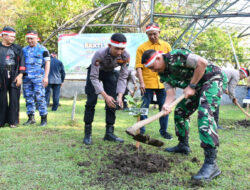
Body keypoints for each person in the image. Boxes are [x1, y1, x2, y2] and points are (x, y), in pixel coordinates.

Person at [141, 48, 227, 181]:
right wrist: (166, 104)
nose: (152, 70)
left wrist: (191, 86)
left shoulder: (176, 56)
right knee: (180, 112)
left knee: (205, 113)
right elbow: (170, 94)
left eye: (152, 67)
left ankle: (211, 163)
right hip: (196, 87)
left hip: (212, 78)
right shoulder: (162, 75)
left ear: (158, 58)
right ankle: (183, 145)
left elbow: (202, 63)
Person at [83, 33, 129, 145]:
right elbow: (93, 77)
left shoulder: (125, 56)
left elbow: (123, 77)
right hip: (95, 73)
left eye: (122, 49)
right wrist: (105, 96)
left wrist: (120, 96)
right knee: (91, 101)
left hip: (110, 73)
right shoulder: (99, 54)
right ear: (109, 45)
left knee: (113, 101)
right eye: (116, 49)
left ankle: (109, 133)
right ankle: (87, 133)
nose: (119, 52)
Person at [135, 22, 172, 140]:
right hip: (147, 83)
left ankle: (164, 131)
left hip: (163, 83)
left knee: (164, 107)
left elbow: (170, 64)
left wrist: (170, 81)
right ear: (146, 34)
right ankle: (141, 130)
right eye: (149, 35)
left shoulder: (166, 46)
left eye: (154, 34)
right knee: (144, 107)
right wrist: (141, 82)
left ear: (159, 33)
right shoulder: (142, 48)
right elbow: (139, 66)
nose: (152, 37)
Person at [22, 31, 50, 126]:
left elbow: (47, 63)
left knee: (40, 98)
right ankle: (31, 118)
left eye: (31, 38)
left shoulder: (43, 50)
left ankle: (43, 119)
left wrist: (46, 77)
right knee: (28, 98)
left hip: (38, 78)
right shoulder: (24, 50)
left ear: (37, 38)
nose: (29, 41)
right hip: (26, 78)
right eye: (28, 39)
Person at [0, 26, 25, 128]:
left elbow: (22, 62)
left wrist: (20, 75)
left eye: (14, 37)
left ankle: (13, 121)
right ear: (4, 36)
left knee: (14, 99)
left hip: (14, 75)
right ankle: (1, 121)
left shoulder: (17, 48)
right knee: (1, 99)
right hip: (1, 76)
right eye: (11, 36)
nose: (13, 38)